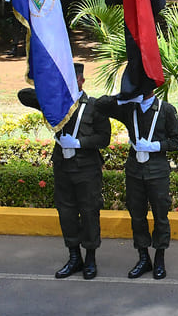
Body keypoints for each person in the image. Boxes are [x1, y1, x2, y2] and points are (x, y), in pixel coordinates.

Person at [18, 64, 111, 279]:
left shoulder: (94, 107)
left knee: (89, 213)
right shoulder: (56, 104)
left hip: (87, 169)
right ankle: (74, 257)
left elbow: (103, 139)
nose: (69, 83)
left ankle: (90, 258)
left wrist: (79, 142)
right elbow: (23, 96)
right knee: (66, 213)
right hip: (63, 168)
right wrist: (48, 89)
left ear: (81, 81)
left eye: (73, 79)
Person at [97, 87, 178, 280]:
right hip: (135, 170)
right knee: (137, 215)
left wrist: (156, 146)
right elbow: (101, 105)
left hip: (157, 170)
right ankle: (144, 257)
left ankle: (159, 258)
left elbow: (177, 140)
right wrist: (123, 96)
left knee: (161, 215)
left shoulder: (165, 109)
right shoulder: (130, 109)